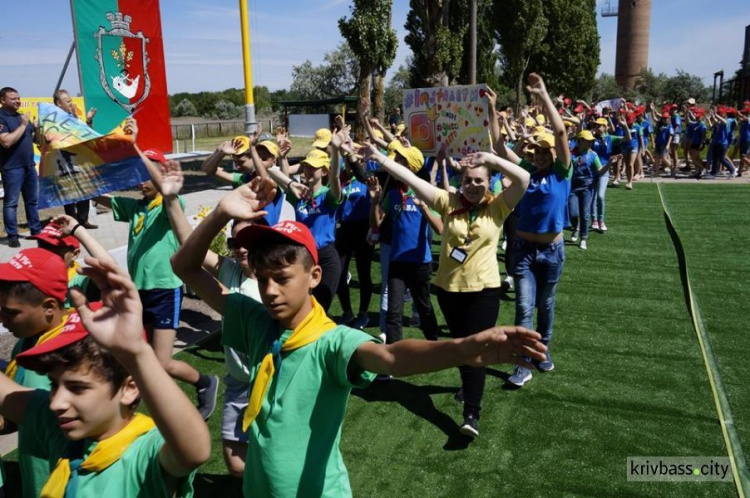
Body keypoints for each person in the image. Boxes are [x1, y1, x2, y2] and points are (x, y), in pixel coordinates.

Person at [170, 178, 547, 497]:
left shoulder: (333, 341)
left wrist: (463, 348)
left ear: (315, 276)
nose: (270, 291)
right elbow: (183, 266)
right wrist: (221, 213)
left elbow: (393, 358)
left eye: (283, 279)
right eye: (264, 278)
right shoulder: (257, 321)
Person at [0, 258, 211, 497]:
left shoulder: (142, 452)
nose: (57, 403)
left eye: (77, 388)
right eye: (54, 385)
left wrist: (137, 354)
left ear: (130, 388)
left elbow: (194, 451)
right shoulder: (62, 429)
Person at [93, 119, 219, 419]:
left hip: (164, 289)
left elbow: (164, 189)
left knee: (161, 362)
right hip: (140, 291)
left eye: (145, 174)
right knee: (141, 357)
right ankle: (145, 407)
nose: (140, 180)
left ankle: (204, 382)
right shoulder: (135, 207)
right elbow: (99, 197)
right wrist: (70, 179)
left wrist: (134, 146)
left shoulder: (168, 205)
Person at [494, 73, 572, 387]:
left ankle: (542, 350)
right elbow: (500, 148)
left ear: (553, 154)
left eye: (545, 151)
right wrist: (492, 110)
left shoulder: (562, 172)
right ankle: (522, 364)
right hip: (524, 251)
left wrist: (543, 93)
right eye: (536, 151)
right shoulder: (525, 171)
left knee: (546, 304)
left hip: (552, 251)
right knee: (525, 306)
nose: (539, 155)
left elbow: (562, 132)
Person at [0, 248, 69, 498]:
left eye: (10, 312)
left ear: (49, 307)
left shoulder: (59, 363)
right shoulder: (27, 340)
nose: (1, 319)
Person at [367, 140, 441, 349]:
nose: (395, 164)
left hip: (420, 263)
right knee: (393, 311)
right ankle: (394, 357)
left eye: (401, 161)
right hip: (397, 262)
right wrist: (375, 202)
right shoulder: (392, 193)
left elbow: (440, 229)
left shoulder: (424, 192)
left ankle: (434, 346)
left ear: (412, 167)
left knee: (424, 307)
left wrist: (425, 208)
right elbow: (376, 225)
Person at [261, 131, 344, 311]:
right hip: (303, 255)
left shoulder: (328, 196)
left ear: (323, 170)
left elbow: (335, 178)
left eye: (312, 167)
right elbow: (270, 171)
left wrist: (336, 150)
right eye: (306, 166)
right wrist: (283, 158)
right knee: (300, 305)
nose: (307, 170)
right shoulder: (300, 194)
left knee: (320, 308)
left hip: (326, 256)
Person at [0, 87, 42, 247]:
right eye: (13, 99)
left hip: (29, 166)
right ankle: (12, 235)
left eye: (18, 98)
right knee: (11, 203)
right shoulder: (2, 118)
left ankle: (36, 231)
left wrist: (37, 129)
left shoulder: (22, 117)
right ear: (3, 100)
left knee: (32, 201)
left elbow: (35, 140)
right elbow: (6, 141)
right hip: (12, 168)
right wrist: (24, 125)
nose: (18, 101)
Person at [51, 89, 98, 229]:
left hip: (79, 160)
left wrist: (88, 120)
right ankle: (71, 223)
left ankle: (83, 220)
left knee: (84, 189)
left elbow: (86, 134)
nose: (71, 103)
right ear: (59, 103)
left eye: (71, 100)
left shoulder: (74, 117)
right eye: (68, 101)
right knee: (69, 193)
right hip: (63, 161)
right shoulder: (54, 119)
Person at [568, 130, 606, 250]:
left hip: (587, 187)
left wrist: (609, 164)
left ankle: (583, 238)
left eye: (591, 141)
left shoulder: (593, 155)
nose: (590, 143)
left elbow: (599, 171)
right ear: (579, 141)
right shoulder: (570, 153)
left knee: (585, 214)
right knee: (573, 213)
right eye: (587, 141)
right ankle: (576, 228)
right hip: (572, 187)